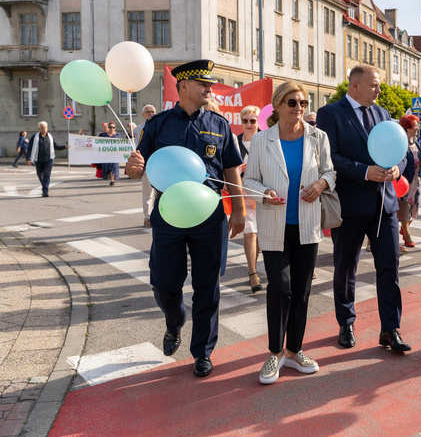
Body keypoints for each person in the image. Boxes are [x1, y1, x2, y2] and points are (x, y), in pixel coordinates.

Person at [126, 60, 245, 378]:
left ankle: (203, 352)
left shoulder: (219, 124)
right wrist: (133, 167)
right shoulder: (159, 124)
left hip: (210, 214)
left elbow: (231, 169)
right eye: (203, 83)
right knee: (165, 282)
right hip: (169, 213)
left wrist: (240, 210)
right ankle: (174, 322)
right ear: (183, 87)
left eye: (210, 84)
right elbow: (137, 167)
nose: (209, 88)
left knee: (208, 286)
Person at [244, 81, 335, 384]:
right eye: (293, 103)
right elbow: (250, 180)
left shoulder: (317, 137)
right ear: (279, 105)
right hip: (274, 224)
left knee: (302, 290)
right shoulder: (261, 140)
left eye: (304, 104)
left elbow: (330, 171)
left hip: (307, 226)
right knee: (280, 288)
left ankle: (294, 351)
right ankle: (274, 352)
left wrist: (322, 184)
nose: (299, 109)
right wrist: (264, 192)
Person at [316, 65, 411, 352]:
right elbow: (329, 157)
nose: (379, 90)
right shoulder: (330, 114)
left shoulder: (382, 114)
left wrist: (397, 168)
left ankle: (390, 329)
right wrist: (364, 171)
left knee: (389, 267)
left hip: (385, 205)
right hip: (350, 205)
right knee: (346, 267)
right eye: (374, 85)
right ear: (354, 86)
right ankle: (346, 323)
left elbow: (401, 150)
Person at [238, 105, 263, 293]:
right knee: (250, 233)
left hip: (262, 193)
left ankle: (252, 266)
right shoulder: (234, 142)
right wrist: (241, 169)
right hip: (243, 193)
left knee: (261, 236)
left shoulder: (266, 139)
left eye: (252, 120)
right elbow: (228, 167)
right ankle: (252, 272)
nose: (248, 124)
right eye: (245, 120)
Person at [397, 114, 421, 253]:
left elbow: (420, 159)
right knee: (404, 210)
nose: (417, 127)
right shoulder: (401, 142)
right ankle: (406, 235)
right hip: (405, 182)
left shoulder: (415, 141)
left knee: (415, 210)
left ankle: (404, 228)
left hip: (415, 182)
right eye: (415, 125)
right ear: (407, 128)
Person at [27, 122, 67, 197]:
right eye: (42, 127)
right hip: (38, 159)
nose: (44, 129)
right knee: (39, 174)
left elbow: (56, 146)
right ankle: (45, 185)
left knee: (46, 175)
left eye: (45, 127)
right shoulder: (34, 137)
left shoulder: (51, 137)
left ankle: (45, 191)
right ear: (39, 129)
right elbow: (29, 148)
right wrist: (28, 158)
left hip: (49, 159)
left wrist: (64, 147)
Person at [134, 105, 158, 227]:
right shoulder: (139, 129)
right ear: (143, 114)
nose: (151, 114)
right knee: (148, 193)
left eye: (153, 112)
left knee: (159, 193)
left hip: (159, 164)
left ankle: (157, 216)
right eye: (148, 112)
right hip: (148, 163)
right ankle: (147, 218)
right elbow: (140, 146)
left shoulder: (160, 126)